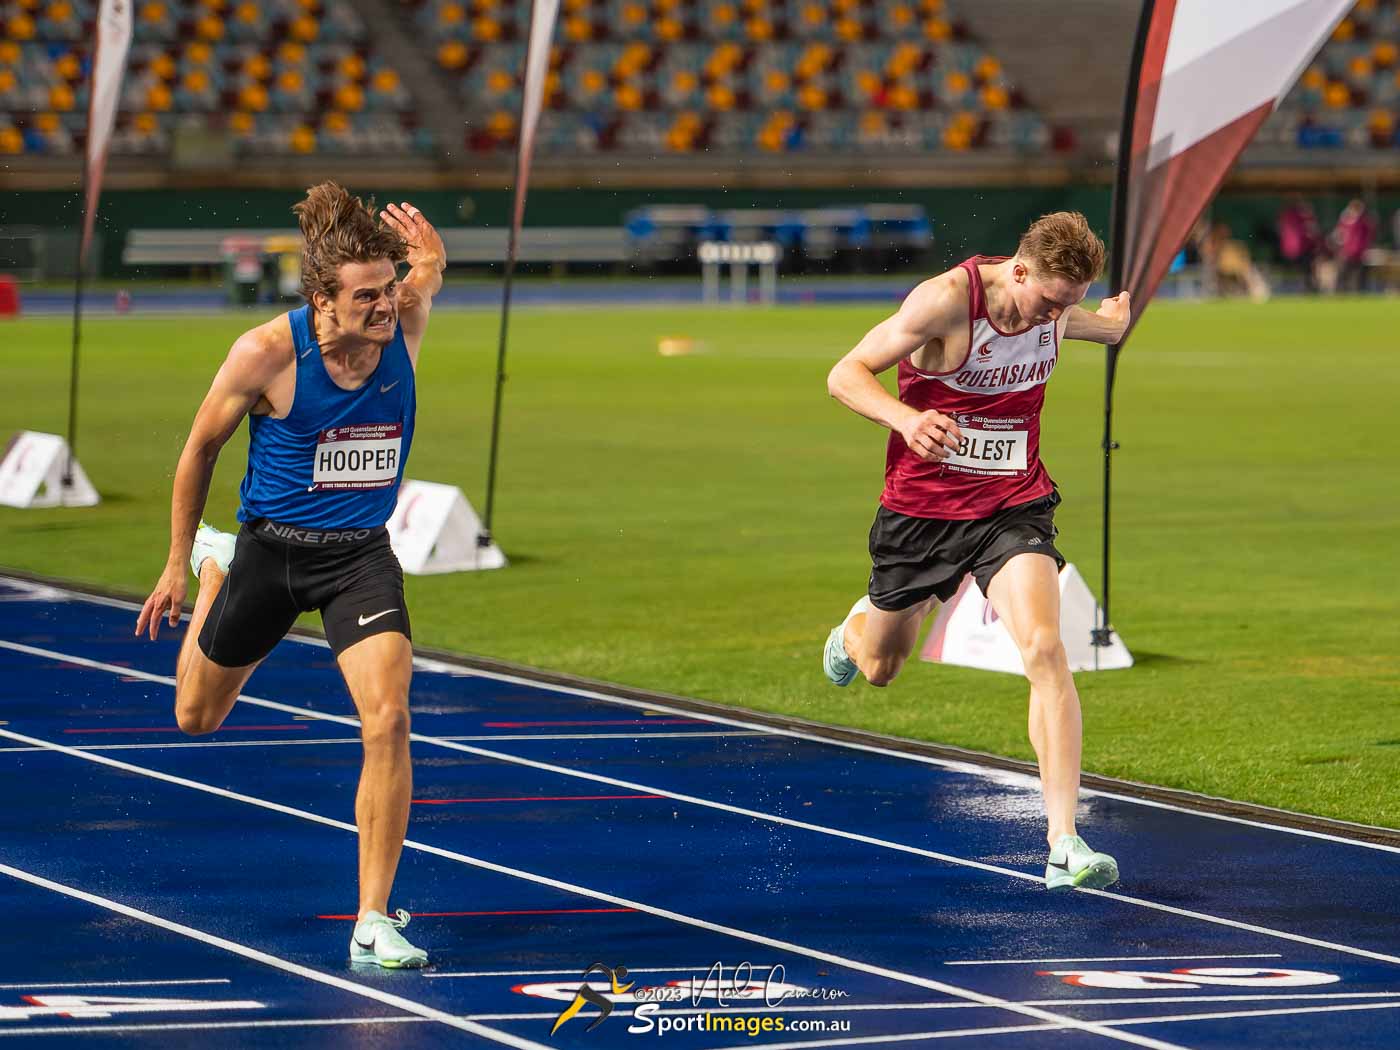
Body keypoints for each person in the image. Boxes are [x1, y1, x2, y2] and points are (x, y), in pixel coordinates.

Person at [135, 182, 446, 967]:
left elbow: (426, 276)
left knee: (389, 717)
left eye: (389, 289)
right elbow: (200, 449)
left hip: (359, 557)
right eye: (366, 296)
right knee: (195, 717)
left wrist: (429, 260)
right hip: (270, 554)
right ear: (321, 300)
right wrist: (177, 564)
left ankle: (372, 918)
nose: (386, 306)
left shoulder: (404, 318)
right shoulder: (267, 353)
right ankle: (216, 572)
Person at [821, 212, 1129, 891]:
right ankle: (854, 628)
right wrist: (905, 418)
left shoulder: (1053, 308)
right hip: (922, 514)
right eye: (1049, 302)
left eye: (1067, 306)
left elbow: (1090, 322)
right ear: (1018, 271)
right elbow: (845, 373)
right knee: (881, 667)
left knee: (1046, 649)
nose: (1054, 318)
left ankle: (1064, 842)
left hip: (1012, 505)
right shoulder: (945, 302)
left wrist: (1112, 321)